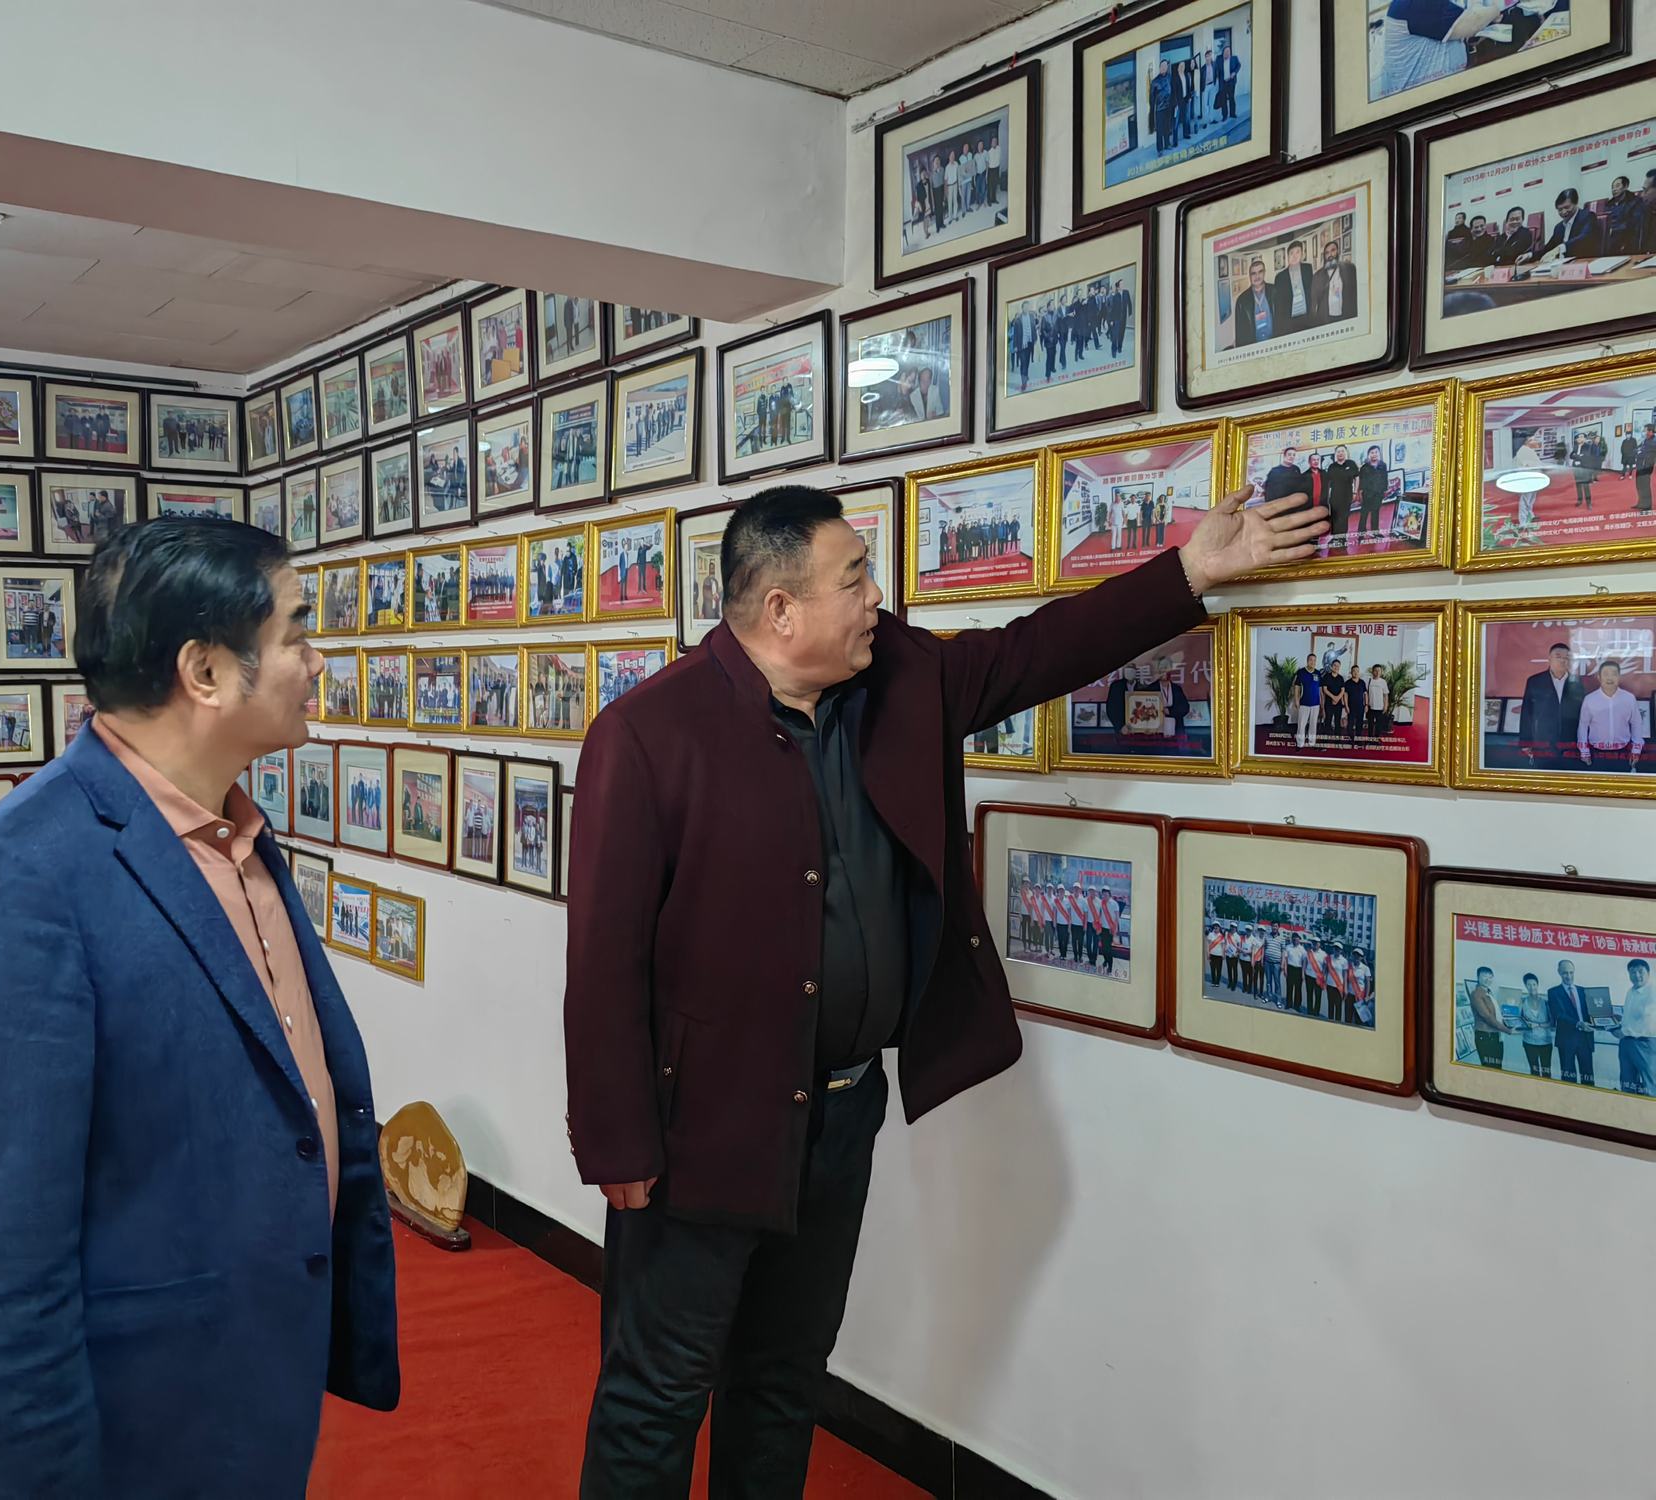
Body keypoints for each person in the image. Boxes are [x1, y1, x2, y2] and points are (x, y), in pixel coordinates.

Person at [564, 479, 1327, 1496]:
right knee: (657, 1393)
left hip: (841, 1112)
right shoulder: (649, 733)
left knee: (783, 1379)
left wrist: (1189, 571)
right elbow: (602, 959)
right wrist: (616, 1141)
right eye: (853, 579)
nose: (875, 597)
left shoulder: (900, 681)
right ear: (780, 609)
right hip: (699, 1127)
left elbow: (1034, 652)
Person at [0, 519, 400, 1497]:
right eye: (297, 633)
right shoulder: (20, 877)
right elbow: (2, 1257)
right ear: (205, 671)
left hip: (252, 1367)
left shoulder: (238, 838)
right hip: (138, 1409)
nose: (316, 662)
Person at [1518, 642, 1584, 768]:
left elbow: (1583, 716)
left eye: (1567, 657)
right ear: (1549, 658)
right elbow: (1527, 712)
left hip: (1570, 744)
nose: (1563, 660)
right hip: (1543, 742)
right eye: (1558, 656)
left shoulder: (1577, 683)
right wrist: (1526, 742)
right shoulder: (1535, 681)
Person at [1575, 658, 1644, 772]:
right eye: (1606, 674)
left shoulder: (1629, 698)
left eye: (1614, 674)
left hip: (1622, 753)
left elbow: (1636, 724)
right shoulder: (1590, 699)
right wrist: (1584, 751)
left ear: (1619, 677)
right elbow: (1583, 726)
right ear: (1599, 677)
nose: (1610, 678)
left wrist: (1636, 750)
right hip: (1596, 754)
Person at [1548, 960, 1598, 1086]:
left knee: (1588, 1077)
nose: (1569, 976)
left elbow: (1592, 1012)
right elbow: (1559, 1014)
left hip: (1585, 1039)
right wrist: (1578, 1023)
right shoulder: (1553, 992)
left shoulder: (1583, 991)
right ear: (1559, 972)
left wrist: (1602, 1019)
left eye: (1571, 972)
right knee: (1568, 1078)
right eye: (1565, 973)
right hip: (1566, 1040)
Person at [1525, 187, 1604, 262]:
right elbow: (1548, 249)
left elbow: (1584, 238)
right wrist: (1529, 255)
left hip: (1584, 262)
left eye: (1567, 207)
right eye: (1560, 209)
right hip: (1563, 265)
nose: (1563, 212)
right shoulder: (1558, 227)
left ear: (1575, 203)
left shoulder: (1588, 216)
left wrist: (1560, 248)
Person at [1468, 966, 1516, 1070]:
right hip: (1485, 1037)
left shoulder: (1489, 992)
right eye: (1484, 976)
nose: (1488, 979)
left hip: (1495, 1036)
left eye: (1490, 977)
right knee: (1490, 1069)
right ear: (1478, 977)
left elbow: (1496, 1014)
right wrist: (1508, 1030)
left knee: (1497, 1068)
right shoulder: (1476, 994)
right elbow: (1487, 1017)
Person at [1619, 960, 1655, 1096]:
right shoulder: (1630, 991)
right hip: (1626, 1042)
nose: (1637, 975)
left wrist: (1623, 1030)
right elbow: (1630, 1017)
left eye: (1640, 971)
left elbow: (1646, 1019)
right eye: (1633, 972)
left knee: (1649, 1084)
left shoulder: (1653, 991)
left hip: (1645, 1043)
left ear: (1648, 973)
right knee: (1627, 1083)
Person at [1515, 973, 1555, 1078]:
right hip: (1529, 1042)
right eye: (1529, 985)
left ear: (1537, 985)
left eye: (1534, 984)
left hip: (1546, 1042)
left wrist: (1537, 1025)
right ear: (1525, 986)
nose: (1532, 987)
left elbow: (1552, 1023)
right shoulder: (1522, 1002)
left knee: (1546, 1072)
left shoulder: (1546, 1002)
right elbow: (1518, 1020)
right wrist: (1525, 1025)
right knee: (1534, 1071)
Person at [1273, 239, 1316, 334]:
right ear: (1287, 256)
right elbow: (1279, 304)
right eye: (1291, 253)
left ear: (1302, 254)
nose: (1294, 256)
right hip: (1289, 320)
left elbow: (1311, 291)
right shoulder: (1280, 277)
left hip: (1307, 317)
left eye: (1297, 252)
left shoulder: (1307, 269)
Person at [1234, 259, 1276, 346]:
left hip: (1274, 341)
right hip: (1254, 345)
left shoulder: (1275, 291)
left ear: (1264, 273)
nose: (1257, 276)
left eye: (1260, 272)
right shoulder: (1241, 300)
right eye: (1253, 273)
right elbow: (1239, 332)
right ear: (1250, 276)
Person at [1317, 242, 1358, 323]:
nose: (1330, 255)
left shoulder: (1349, 268)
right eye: (1327, 253)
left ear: (1338, 251)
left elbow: (1354, 292)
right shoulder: (1319, 275)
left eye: (1333, 250)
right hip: (1327, 318)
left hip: (1345, 315)